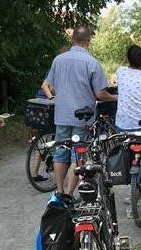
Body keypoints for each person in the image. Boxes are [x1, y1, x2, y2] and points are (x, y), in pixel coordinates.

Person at [42, 25, 116, 195]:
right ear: (88, 42)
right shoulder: (92, 62)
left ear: (72, 39)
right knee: (78, 156)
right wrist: (114, 97)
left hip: (61, 115)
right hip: (82, 119)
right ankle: (69, 194)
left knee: (60, 153)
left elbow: (50, 87)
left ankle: (59, 192)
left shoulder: (58, 60)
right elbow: (100, 94)